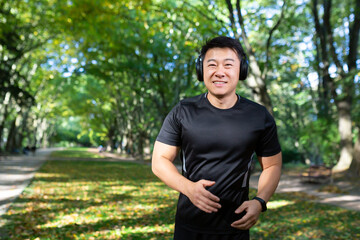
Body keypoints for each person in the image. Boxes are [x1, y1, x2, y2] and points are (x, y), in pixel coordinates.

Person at [152, 36, 282, 240]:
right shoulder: (182, 111)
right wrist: (188, 188)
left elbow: (272, 165)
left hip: (235, 227)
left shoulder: (259, 116)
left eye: (228, 65)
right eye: (211, 64)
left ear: (242, 70)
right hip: (189, 227)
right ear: (201, 70)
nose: (219, 72)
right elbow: (159, 161)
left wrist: (260, 201)